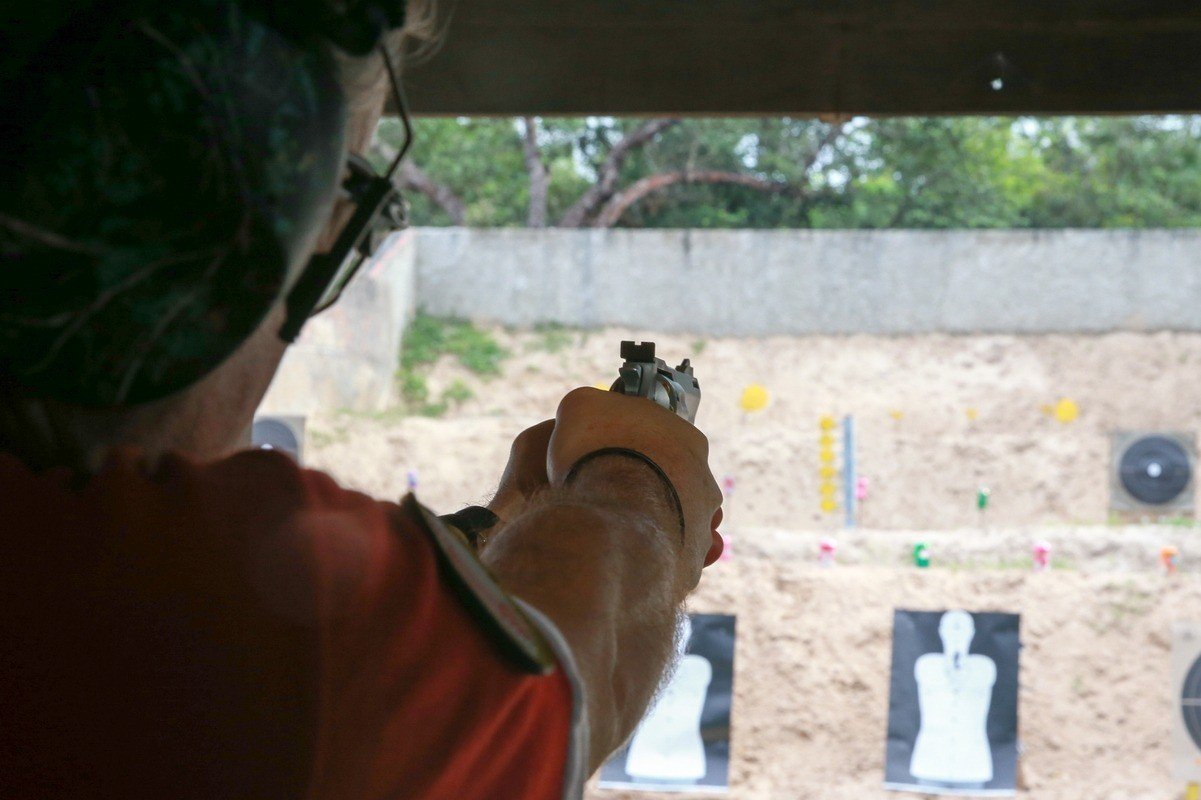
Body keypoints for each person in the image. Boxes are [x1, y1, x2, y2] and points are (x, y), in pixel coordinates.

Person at [0, 2, 723, 798]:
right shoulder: (214, 596)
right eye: (336, 214)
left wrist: (500, 521)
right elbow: (572, 683)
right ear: (214, 244)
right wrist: (637, 483)